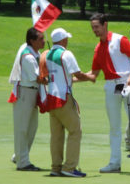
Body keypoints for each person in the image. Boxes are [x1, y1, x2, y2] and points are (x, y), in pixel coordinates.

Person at [88, 13, 130, 174]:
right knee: (114, 127)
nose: (94, 30)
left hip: (127, 84)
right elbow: (93, 74)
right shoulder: (98, 47)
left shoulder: (120, 40)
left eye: (96, 27)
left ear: (105, 25)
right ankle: (114, 163)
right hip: (111, 86)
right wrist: (74, 77)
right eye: (92, 28)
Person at [39, 28, 94, 177]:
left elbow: (61, 78)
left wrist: (85, 77)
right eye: (66, 38)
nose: (67, 41)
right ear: (63, 40)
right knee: (75, 131)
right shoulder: (66, 54)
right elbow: (78, 74)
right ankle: (69, 168)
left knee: (56, 135)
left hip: (51, 98)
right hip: (64, 98)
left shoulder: (47, 54)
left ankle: (56, 168)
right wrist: (90, 77)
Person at [8, 27, 46, 171]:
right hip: (25, 92)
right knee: (22, 128)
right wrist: (56, 79)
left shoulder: (35, 52)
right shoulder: (28, 57)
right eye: (40, 39)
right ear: (32, 41)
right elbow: (39, 78)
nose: (43, 41)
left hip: (32, 92)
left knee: (32, 127)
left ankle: (19, 156)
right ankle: (23, 162)